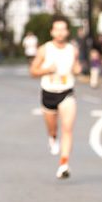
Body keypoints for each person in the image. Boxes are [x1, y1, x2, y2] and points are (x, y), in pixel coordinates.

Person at [30, 16, 81, 179]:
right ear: (52, 31)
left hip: (67, 92)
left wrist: (78, 68)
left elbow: (76, 66)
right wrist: (47, 70)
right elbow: (33, 71)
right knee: (53, 129)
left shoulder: (72, 49)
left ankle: (64, 164)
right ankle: (52, 138)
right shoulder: (45, 49)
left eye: (63, 29)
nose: (60, 32)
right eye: (57, 29)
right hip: (48, 92)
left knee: (67, 128)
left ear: (67, 31)